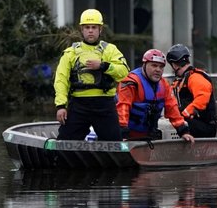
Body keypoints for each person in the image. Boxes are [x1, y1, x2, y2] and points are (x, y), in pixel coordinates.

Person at [53, 9, 130, 141]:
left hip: (104, 105)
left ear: (100, 30)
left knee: (114, 142)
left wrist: (103, 66)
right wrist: (61, 106)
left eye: (94, 27)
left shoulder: (110, 50)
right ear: (81, 30)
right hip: (78, 105)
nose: (90, 31)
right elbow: (61, 80)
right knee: (64, 141)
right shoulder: (71, 53)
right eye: (87, 27)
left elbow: (124, 73)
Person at [117, 49, 195, 143]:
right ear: (144, 65)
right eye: (154, 65)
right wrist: (123, 133)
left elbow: (172, 108)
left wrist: (183, 131)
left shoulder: (164, 85)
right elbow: (123, 107)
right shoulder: (131, 82)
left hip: (149, 135)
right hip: (129, 135)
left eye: (161, 67)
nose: (158, 70)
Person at [166, 43, 217, 138]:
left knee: (178, 123)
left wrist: (184, 114)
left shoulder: (195, 77)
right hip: (192, 123)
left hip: (205, 128)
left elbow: (202, 99)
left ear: (174, 64)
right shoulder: (180, 81)